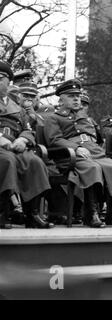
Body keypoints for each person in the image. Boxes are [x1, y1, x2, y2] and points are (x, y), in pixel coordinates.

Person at [43, 79, 112, 228]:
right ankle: (91, 214)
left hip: (94, 153)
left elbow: (95, 138)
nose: (76, 99)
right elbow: (54, 140)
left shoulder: (85, 119)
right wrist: (75, 148)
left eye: (77, 96)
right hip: (69, 157)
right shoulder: (53, 118)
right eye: (71, 96)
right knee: (92, 168)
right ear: (61, 99)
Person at [0, 60, 53, 229]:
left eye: (1, 78)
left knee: (34, 162)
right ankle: (2, 213)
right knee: (8, 161)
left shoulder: (17, 106)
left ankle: (33, 214)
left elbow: (27, 128)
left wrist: (23, 139)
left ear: (8, 82)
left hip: (15, 145)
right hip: (2, 147)